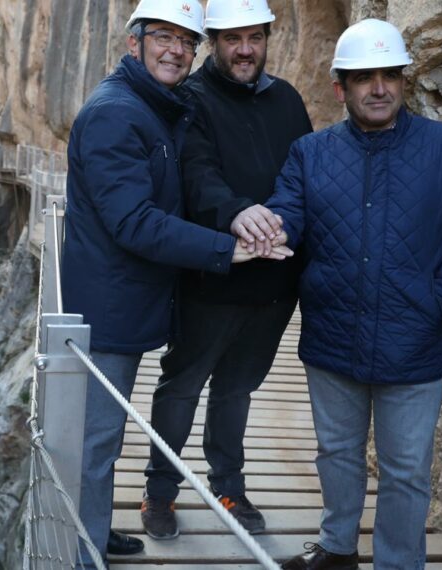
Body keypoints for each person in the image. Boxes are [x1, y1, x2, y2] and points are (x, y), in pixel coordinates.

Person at [253, 19, 442, 570]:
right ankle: (338, 548)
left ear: (402, 81)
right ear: (339, 86)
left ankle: (398, 564)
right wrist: (270, 228)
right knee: (337, 455)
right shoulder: (309, 153)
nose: (378, 87)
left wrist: (439, 302)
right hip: (332, 336)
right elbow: (288, 212)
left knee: (406, 470)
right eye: (363, 76)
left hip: (413, 341)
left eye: (389, 74)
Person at [60, 0, 292, 566]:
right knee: (97, 440)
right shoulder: (120, 113)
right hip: (109, 306)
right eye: (163, 36)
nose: (175, 50)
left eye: (185, 42)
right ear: (132, 41)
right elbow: (134, 219)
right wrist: (228, 247)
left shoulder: (150, 106)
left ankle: (93, 530)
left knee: (105, 436)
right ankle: (84, 552)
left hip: (128, 298)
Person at [139, 0, 313, 540]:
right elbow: (196, 174)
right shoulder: (189, 99)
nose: (244, 49)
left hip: (275, 279)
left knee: (238, 388)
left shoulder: (286, 99)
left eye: (254, 38)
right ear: (213, 41)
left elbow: (304, 172)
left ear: (266, 39)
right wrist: (238, 210)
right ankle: (159, 492)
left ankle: (229, 486)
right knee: (182, 385)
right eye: (232, 38)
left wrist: (289, 224)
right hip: (213, 275)